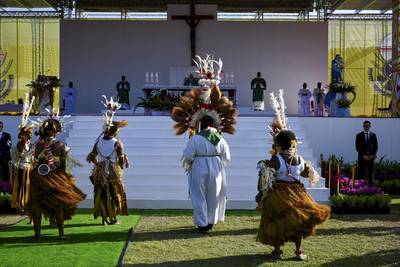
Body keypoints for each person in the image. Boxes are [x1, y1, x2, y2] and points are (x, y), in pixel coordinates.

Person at [256, 90, 330, 260]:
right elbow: (306, 172)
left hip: (279, 194)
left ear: (280, 145)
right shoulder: (299, 158)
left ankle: (276, 251)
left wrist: (260, 193)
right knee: (298, 222)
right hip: (298, 192)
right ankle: (299, 251)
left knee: (276, 222)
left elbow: (267, 178)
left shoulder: (276, 159)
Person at [26, 115, 86, 241]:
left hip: (39, 177)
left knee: (37, 206)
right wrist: (65, 180)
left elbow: (33, 161)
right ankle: (61, 234)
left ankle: (37, 236)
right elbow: (63, 166)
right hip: (56, 178)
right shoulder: (61, 146)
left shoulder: (36, 145)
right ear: (55, 132)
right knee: (57, 207)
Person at [182, 116, 230, 232]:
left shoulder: (195, 138)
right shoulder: (219, 139)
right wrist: (219, 162)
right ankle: (210, 222)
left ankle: (202, 224)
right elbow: (227, 157)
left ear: (201, 125)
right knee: (214, 195)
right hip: (216, 166)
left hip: (199, 165)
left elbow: (188, 156)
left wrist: (192, 162)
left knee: (199, 195)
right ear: (212, 125)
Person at [86, 96, 129, 225]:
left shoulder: (98, 142)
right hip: (113, 172)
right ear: (115, 131)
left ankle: (104, 218)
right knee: (114, 193)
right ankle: (113, 218)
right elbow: (121, 163)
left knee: (101, 193)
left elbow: (91, 157)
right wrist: (121, 163)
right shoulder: (118, 143)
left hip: (100, 172)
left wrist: (98, 165)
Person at [9, 95, 35, 212]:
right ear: (25, 134)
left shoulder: (29, 143)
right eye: (29, 134)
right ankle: (21, 205)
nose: (31, 135)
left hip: (29, 167)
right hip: (22, 168)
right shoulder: (21, 144)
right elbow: (20, 154)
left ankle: (27, 204)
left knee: (28, 187)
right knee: (22, 186)